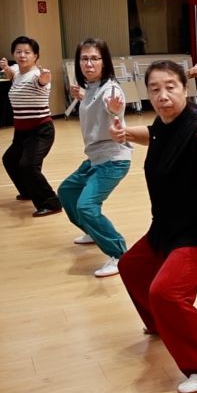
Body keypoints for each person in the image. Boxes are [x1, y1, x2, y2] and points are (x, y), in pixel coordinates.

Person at [111, 60, 197, 393]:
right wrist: (125, 132)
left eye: (170, 87)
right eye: (155, 89)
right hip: (166, 227)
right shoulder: (163, 123)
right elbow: (154, 134)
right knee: (131, 266)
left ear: (185, 88)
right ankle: (161, 322)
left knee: (166, 293)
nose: (163, 95)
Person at [58, 38, 133, 278]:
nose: (89, 64)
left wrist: (114, 110)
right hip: (95, 159)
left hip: (113, 160)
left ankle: (120, 254)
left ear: (105, 62)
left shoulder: (111, 90)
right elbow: (93, 100)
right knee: (67, 192)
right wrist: (82, 95)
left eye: (95, 59)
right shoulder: (91, 87)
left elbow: (114, 107)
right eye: (84, 59)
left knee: (87, 206)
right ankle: (93, 231)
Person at [0, 36, 62, 217]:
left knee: (28, 166)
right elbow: (12, 72)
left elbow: (42, 82)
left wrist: (44, 79)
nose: (22, 55)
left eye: (27, 52)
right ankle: (28, 191)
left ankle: (51, 203)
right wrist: (6, 69)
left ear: (36, 56)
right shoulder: (17, 72)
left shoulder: (36, 76)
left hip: (40, 130)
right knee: (10, 160)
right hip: (21, 131)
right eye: (18, 52)